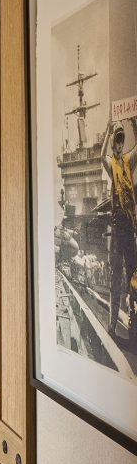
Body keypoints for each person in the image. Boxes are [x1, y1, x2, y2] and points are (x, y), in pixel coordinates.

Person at [100, 117, 137, 342]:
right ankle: (112, 324)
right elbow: (100, 156)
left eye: (122, 140)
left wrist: (135, 127)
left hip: (129, 229)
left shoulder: (127, 162)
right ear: (114, 143)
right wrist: (107, 131)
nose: (121, 143)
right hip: (117, 230)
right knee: (115, 279)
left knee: (134, 276)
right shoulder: (112, 163)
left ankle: (133, 320)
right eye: (118, 139)